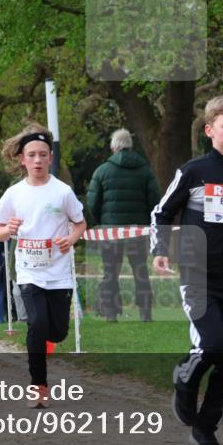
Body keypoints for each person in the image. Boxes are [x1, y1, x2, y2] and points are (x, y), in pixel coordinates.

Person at [150, 89, 223, 445]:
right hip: (198, 275)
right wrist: (160, 249)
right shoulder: (193, 171)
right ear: (210, 130)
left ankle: (205, 427)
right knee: (211, 346)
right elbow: (161, 213)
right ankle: (185, 379)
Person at [0, 123, 86, 408]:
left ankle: (48, 342)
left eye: (42, 154)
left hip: (58, 275)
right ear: (22, 159)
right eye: (31, 155)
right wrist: (8, 228)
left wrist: (70, 238)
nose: (37, 160)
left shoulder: (63, 192)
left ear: (50, 158)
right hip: (28, 271)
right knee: (36, 323)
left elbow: (81, 223)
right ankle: (39, 386)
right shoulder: (13, 194)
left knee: (57, 332)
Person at [87, 129, 161, 322]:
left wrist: (102, 222)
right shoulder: (145, 171)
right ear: (130, 146)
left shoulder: (102, 171)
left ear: (113, 147)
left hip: (111, 232)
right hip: (139, 231)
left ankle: (111, 314)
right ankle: (146, 314)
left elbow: (92, 203)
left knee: (111, 271)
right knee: (140, 270)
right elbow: (155, 201)